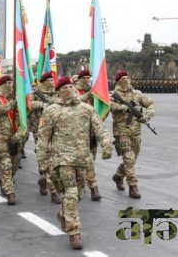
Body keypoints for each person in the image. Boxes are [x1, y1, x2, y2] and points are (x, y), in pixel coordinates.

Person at [36, 76, 114, 249]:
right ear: (59, 91)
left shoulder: (87, 108)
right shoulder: (51, 111)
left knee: (78, 194)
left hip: (82, 159)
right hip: (61, 159)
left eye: (72, 85)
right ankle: (74, 232)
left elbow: (99, 129)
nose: (70, 88)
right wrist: (42, 161)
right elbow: (43, 138)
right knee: (70, 193)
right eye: (65, 87)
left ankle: (63, 213)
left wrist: (107, 143)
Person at [110, 70, 155, 199]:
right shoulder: (114, 94)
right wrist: (123, 107)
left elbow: (151, 104)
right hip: (121, 131)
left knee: (132, 159)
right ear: (118, 81)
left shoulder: (137, 94)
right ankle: (133, 186)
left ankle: (118, 175)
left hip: (136, 131)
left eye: (127, 77)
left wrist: (148, 115)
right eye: (123, 77)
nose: (126, 79)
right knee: (129, 158)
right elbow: (108, 105)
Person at [0, 75, 22, 205]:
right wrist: (8, 107)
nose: (10, 84)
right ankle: (9, 192)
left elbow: (22, 119)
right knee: (5, 164)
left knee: (15, 163)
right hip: (0, 137)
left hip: (14, 137)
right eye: (7, 82)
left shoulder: (17, 99)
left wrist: (20, 133)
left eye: (11, 82)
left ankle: (5, 181)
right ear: (1, 85)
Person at [28, 72, 61, 203]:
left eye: (53, 80)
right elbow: (28, 103)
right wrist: (42, 104)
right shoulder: (36, 93)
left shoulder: (58, 93)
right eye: (50, 80)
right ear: (45, 81)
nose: (52, 82)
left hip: (57, 130)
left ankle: (43, 179)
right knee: (44, 158)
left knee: (55, 158)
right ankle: (53, 191)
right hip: (40, 129)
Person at [75, 70, 102, 201]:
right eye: (84, 77)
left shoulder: (95, 93)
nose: (87, 80)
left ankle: (82, 181)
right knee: (88, 160)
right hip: (78, 133)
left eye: (89, 77)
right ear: (79, 79)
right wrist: (90, 93)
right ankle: (93, 187)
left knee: (90, 159)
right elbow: (76, 101)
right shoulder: (73, 91)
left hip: (92, 133)